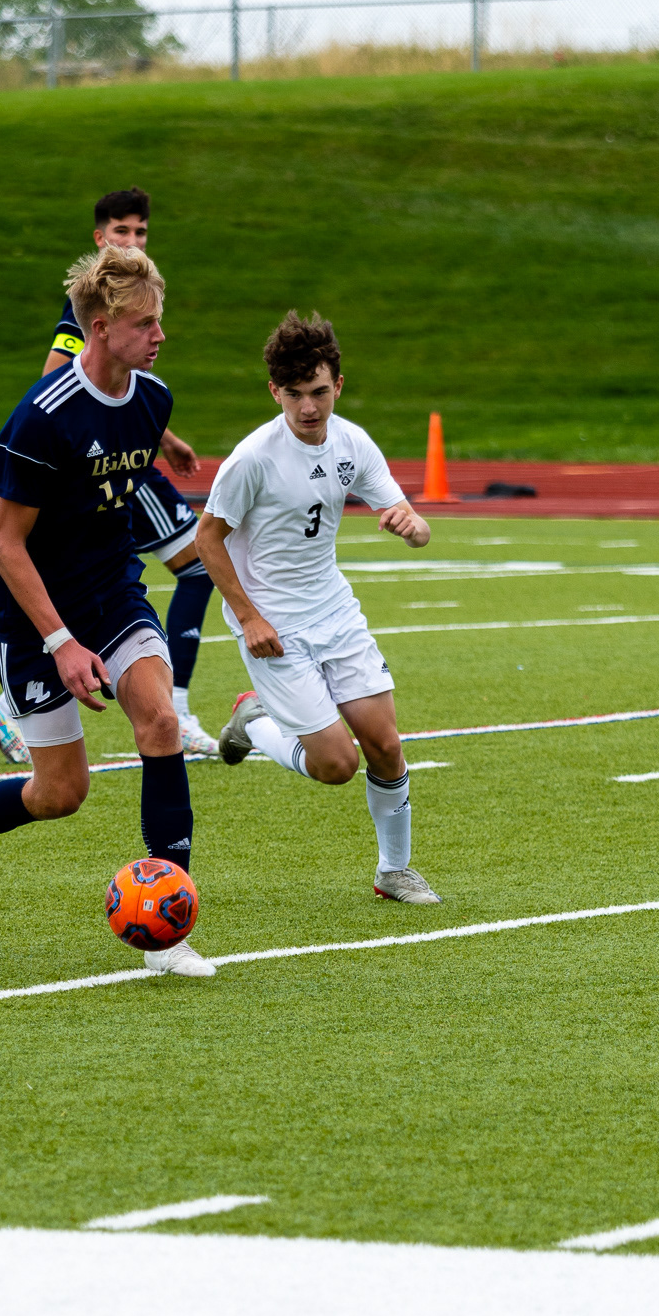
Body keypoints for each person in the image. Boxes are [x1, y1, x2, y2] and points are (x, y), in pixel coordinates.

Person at [0, 243, 214, 978]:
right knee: (61, 793)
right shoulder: (38, 420)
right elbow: (6, 545)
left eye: (159, 320)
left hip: (112, 593)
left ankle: (167, 932)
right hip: (35, 617)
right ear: (101, 328)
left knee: (161, 721)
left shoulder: (154, 397)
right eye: (145, 324)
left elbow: (122, 450)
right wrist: (60, 642)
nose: (160, 335)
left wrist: (167, 447)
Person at [195, 311, 441, 905]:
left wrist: (412, 528)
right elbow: (207, 539)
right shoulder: (253, 458)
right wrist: (248, 618)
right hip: (274, 625)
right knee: (336, 765)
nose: (309, 407)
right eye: (295, 394)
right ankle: (253, 723)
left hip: (335, 613)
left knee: (385, 746)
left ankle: (394, 871)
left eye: (320, 392)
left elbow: (416, 526)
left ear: (338, 386)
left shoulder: (353, 443)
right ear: (274, 391)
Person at [0, 185, 218, 767]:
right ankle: (173, 710)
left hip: (122, 457)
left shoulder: (138, 317)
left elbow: (120, 392)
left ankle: (167, 709)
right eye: (121, 232)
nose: (132, 241)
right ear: (98, 238)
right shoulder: (89, 311)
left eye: (140, 232)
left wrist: (167, 439)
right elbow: (60, 381)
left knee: (136, 580)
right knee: (195, 567)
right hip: (94, 468)